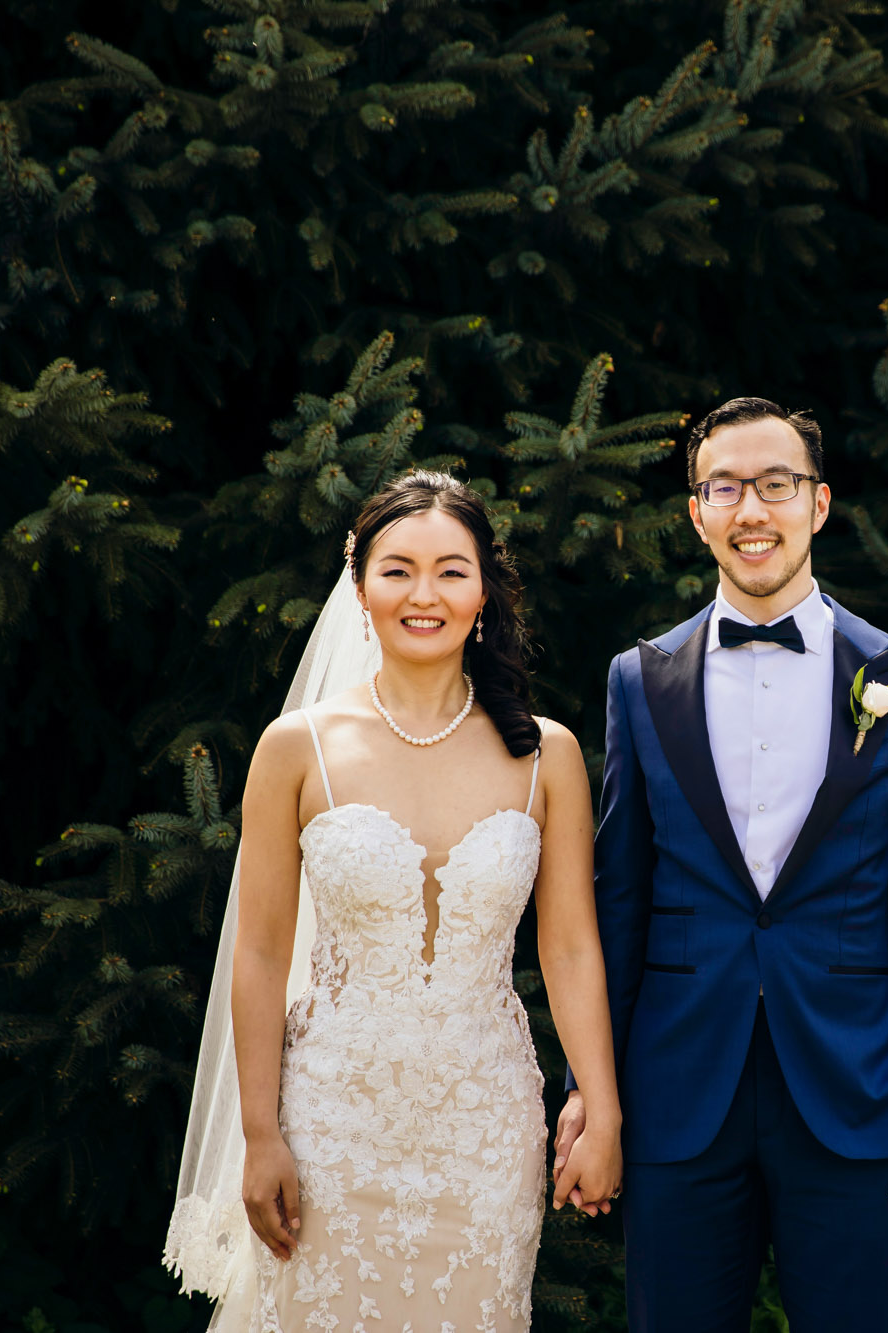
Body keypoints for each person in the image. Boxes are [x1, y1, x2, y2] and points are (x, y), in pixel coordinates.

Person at [164, 470, 622, 1333]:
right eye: (398, 569)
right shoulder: (298, 747)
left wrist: (601, 1105)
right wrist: (261, 1133)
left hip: (485, 1131)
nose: (425, 594)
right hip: (329, 1124)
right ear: (361, 586)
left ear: (483, 590)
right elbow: (259, 952)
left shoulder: (546, 754)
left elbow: (568, 949)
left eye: (452, 570)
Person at [556, 398, 888, 1331]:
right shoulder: (640, 679)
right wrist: (597, 1090)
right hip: (678, 1092)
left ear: (818, 505)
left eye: (776, 484)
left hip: (859, 1090)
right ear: (696, 512)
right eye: (725, 486)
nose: (753, 509)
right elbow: (617, 903)